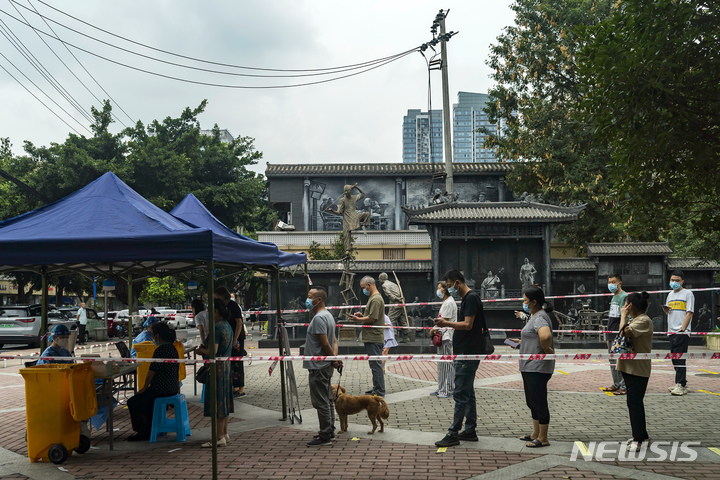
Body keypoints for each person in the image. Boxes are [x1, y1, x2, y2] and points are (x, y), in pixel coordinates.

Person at [434, 269, 486, 447]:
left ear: (457, 282)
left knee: (460, 394)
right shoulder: (467, 299)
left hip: (467, 353)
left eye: (449, 286)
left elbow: (467, 324)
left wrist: (446, 323)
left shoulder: (470, 298)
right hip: (465, 351)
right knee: (468, 392)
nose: (449, 289)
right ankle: (470, 430)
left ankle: (453, 432)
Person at [508, 286, 555, 448]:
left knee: (539, 401)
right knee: (532, 401)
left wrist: (547, 349)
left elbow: (545, 335)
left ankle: (543, 437)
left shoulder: (540, 317)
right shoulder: (534, 316)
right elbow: (535, 337)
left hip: (537, 366)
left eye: (526, 301)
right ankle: (535, 433)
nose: (524, 303)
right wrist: (522, 343)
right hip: (529, 366)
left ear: (534, 302)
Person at [127, 323, 180, 442]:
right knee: (147, 402)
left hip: (161, 389)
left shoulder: (161, 350)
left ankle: (142, 432)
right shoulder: (172, 348)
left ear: (157, 336)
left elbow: (151, 372)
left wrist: (144, 388)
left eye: (151, 334)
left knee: (133, 402)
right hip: (171, 387)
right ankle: (150, 428)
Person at [303, 287, 341, 446]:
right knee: (327, 399)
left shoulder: (319, 318)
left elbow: (325, 343)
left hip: (319, 366)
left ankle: (325, 434)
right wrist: (334, 358)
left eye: (310, 296)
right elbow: (334, 342)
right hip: (325, 365)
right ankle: (329, 430)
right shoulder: (329, 316)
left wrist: (332, 358)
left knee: (321, 401)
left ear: (318, 300)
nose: (307, 299)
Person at [617, 292, 653, 451]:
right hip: (630, 367)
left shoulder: (644, 321)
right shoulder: (637, 320)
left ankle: (639, 440)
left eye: (626, 304)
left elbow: (623, 332)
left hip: (638, 369)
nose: (624, 307)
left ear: (630, 306)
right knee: (634, 402)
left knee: (634, 402)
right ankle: (642, 435)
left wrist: (623, 315)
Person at [197, 298, 234, 447]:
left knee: (217, 401)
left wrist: (201, 350)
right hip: (226, 367)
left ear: (216, 312)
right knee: (224, 400)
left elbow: (213, 350)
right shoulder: (227, 326)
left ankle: (218, 437)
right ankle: (224, 433)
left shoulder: (216, 327)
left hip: (216, 369)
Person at [350, 276, 385, 397]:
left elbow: (372, 318)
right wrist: (361, 315)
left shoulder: (375, 299)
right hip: (372, 336)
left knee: (376, 365)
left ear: (369, 285)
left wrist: (359, 319)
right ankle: (376, 388)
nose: (363, 290)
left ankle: (379, 391)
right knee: (374, 365)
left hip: (374, 337)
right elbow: (370, 315)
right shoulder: (373, 298)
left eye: (364, 288)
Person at [662, 270, 694, 396]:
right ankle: (682, 383)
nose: (674, 282)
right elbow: (670, 313)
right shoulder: (670, 295)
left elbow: (689, 312)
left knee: (680, 359)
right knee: (674, 358)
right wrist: (666, 310)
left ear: (682, 281)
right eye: (672, 280)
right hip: (671, 331)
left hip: (681, 331)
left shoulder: (688, 294)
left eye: (677, 280)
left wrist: (683, 329)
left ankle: (681, 385)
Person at [214, 287, 246, 397]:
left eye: (217, 297)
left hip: (236, 339)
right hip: (231, 337)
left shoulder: (233, 306)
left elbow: (239, 322)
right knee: (233, 363)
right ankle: (235, 387)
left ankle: (240, 388)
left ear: (222, 296)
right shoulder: (226, 306)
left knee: (237, 363)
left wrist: (235, 339)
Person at [601, 273, 628, 395]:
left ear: (620, 283)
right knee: (612, 361)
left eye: (613, 282)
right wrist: (608, 336)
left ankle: (623, 386)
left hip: (619, 334)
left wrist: (622, 334)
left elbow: (625, 316)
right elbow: (612, 318)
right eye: (609, 282)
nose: (611, 284)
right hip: (611, 334)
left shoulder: (624, 297)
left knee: (620, 361)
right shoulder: (614, 297)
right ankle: (616, 384)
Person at [326, 184, 371, 253]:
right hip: (347, 219)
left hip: (355, 217)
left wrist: (356, 187)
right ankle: (347, 250)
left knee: (367, 214)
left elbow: (362, 194)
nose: (347, 193)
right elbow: (339, 212)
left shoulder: (354, 197)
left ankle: (365, 226)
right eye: (346, 191)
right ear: (345, 192)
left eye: (348, 191)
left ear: (350, 191)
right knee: (346, 234)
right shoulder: (342, 200)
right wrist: (332, 210)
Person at [430, 282, 457, 398]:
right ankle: (441, 387)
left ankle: (448, 389)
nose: (438, 290)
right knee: (441, 363)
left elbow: (443, 321)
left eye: (439, 288)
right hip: (442, 335)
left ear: (445, 290)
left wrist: (433, 329)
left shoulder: (449, 302)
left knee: (446, 364)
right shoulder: (445, 302)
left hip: (446, 336)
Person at [378, 272, 410, 343]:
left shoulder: (385, 285)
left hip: (395, 303)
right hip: (401, 303)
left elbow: (389, 295)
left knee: (391, 319)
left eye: (379, 279)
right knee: (402, 319)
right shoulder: (393, 284)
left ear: (381, 278)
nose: (379, 280)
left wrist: (396, 299)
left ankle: (393, 337)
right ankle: (406, 336)